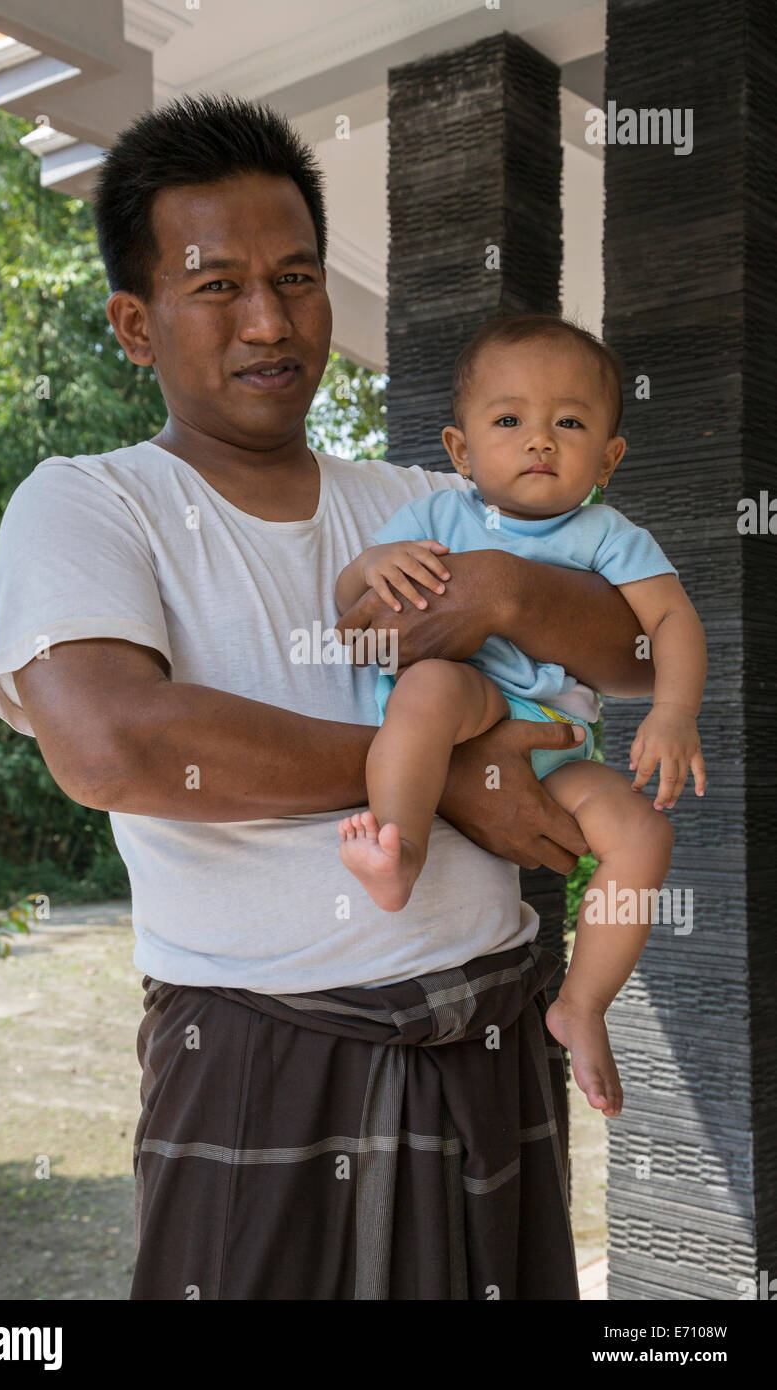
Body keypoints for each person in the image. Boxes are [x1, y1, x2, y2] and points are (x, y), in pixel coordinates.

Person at [0, 93, 655, 1300]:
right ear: (135, 325)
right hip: (258, 1049)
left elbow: (634, 660)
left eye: (295, 278)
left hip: (490, 1030)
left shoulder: (419, 503)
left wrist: (504, 589)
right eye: (217, 286)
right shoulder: (88, 501)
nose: (268, 320)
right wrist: (443, 770)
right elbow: (109, 743)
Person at [335, 315, 707, 1119]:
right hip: (467, 705)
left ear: (608, 457)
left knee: (645, 837)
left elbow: (672, 622)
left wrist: (674, 713)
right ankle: (399, 849)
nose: (540, 440)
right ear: (462, 451)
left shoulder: (607, 534)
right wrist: (372, 565)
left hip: (560, 741)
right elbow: (351, 606)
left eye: (569, 422)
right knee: (429, 687)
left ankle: (583, 1003)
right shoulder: (437, 520)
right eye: (509, 421)